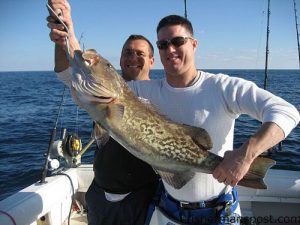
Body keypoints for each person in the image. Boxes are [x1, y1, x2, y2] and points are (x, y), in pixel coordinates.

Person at [49, 4, 300, 224]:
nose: (170, 49)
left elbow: (286, 112)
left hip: (220, 210)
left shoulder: (223, 87)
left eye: (178, 41)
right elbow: (75, 73)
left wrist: (246, 155)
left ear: (193, 44)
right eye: (163, 44)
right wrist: (67, 32)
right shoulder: (139, 91)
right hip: (168, 210)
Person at [46, 1, 159, 225]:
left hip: (142, 196)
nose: (133, 57)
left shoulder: (162, 93)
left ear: (152, 61)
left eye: (140, 53)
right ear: (119, 60)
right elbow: (68, 70)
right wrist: (64, 36)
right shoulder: (101, 88)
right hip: (99, 195)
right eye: (127, 52)